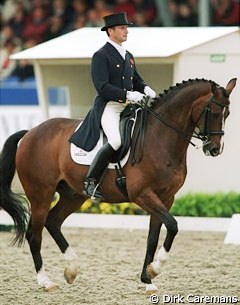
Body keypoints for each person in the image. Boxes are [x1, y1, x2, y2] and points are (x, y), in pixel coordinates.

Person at [70, 12, 156, 200]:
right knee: (116, 141)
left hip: (128, 107)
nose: (126, 31)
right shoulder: (101, 55)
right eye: (122, 28)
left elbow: (136, 80)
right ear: (111, 31)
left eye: (127, 28)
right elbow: (102, 86)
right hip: (109, 106)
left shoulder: (128, 55)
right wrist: (127, 94)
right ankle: (91, 181)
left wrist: (145, 88)